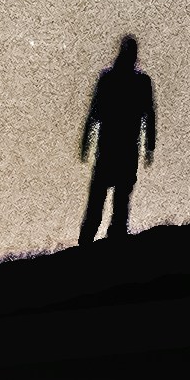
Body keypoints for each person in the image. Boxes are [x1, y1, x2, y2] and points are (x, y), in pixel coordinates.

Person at [75, 32, 158, 245]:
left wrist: (86, 143)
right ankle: (105, 240)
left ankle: (90, 242)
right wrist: (149, 147)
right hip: (122, 148)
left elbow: (94, 114)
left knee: (105, 199)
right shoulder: (138, 82)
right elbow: (148, 115)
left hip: (113, 147)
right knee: (117, 199)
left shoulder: (111, 80)